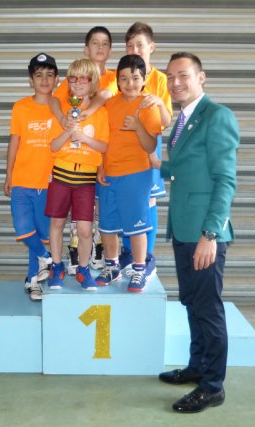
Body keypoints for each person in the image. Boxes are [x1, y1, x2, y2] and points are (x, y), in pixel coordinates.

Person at [157, 52, 239, 413]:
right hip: (184, 229)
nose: (175, 83)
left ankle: (212, 386)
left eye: (183, 75)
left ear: (201, 77)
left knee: (207, 308)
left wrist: (210, 234)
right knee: (192, 303)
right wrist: (157, 165)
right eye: (170, 77)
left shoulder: (217, 116)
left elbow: (225, 180)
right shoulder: (182, 120)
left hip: (204, 234)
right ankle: (197, 367)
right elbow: (183, 170)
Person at [50, 26, 118, 275]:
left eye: (105, 43)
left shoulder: (115, 77)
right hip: (70, 164)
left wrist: (88, 111)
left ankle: (99, 253)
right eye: (95, 43)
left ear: (110, 50)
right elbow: (55, 99)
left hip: (101, 159)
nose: (100, 47)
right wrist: (63, 120)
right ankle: (74, 254)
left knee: (98, 212)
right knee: (73, 217)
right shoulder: (74, 79)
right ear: (86, 48)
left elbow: (106, 94)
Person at [96, 54, 160, 292]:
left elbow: (151, 146)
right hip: (109, 175)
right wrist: (101, 167)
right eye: (124, 79)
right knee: (107, 225)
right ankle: (112, 266)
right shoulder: (109, 105)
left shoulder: (148, 105)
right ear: (117, 81)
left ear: (144, 80)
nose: (129, 83)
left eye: (135, 78)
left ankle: (139, 269)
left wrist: (137, 126)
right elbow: (103, 139)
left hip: (136, 174)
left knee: (137, 225)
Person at [46, 58, 109, 291]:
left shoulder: (100, 113)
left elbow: (104, 146)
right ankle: (56, 267)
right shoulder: (63, 110)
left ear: (93, 82)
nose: (78, 82)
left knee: (84, 230)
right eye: (73, 78)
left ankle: (83, 270)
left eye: (85, 78)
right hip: (61, 176)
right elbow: (53, 146)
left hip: (85, 181)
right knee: (56, 223)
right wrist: (67, 130)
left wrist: (85, 138)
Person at [118, 22, 172, 274]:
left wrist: (158, 103)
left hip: (149, 146)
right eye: (130, 45)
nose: (135, 50)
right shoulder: (121, 76)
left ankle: (147, 256)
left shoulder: (160, 79)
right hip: (122, 149)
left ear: (151, 47)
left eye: (140, 45)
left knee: (147, 200)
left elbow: (165, 120)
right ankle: (129, 252)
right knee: (126, 200)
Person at [5, 53, 59, 301]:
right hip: (22, 181)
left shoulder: (60, 108)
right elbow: (14, 142)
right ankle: (47, 258)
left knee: (39, 233)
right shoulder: (21, 107)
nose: (44, 80)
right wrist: (9, 173)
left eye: (49, 75)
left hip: (49, 184)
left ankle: (32, 281)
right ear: (31, 80)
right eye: (39, 75)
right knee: (23, 228)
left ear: (56, 79)